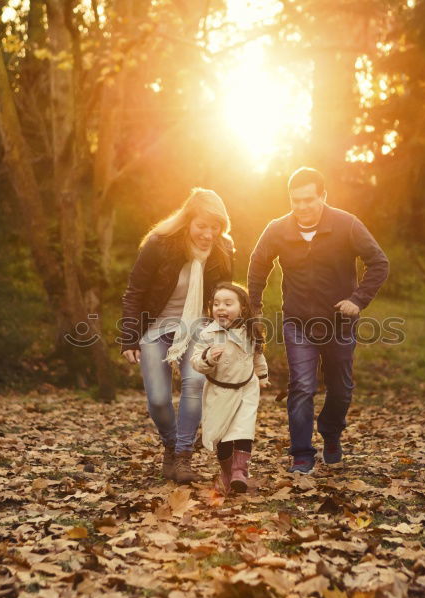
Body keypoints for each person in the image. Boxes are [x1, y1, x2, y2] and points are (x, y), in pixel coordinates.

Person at [247, 167, 389, 474]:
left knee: (342, 389)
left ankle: (330, 431)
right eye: (295, 200)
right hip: (297, 322)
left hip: (339, 323)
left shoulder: (346, 225)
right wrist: (254, 306)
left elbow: (379, 262)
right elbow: (257, 265)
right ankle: (302, 453)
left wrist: (357, 300)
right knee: (302, 386)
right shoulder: (277, 229)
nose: (301, 207)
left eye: (308, 199)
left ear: (323, 196)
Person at [121, 188, 234, 484]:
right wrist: (129, 337)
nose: (208, 234)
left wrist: (225, 336)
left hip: (197, 328)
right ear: (187, 222)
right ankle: (171, 445)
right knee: (158, 400)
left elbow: (225, 298)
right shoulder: (159, 245)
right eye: (202, 226)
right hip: (156, 327)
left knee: (194, 383)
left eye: (215, 227)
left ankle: (183, 457)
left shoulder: (223, 250)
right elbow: (134, 293)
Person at [191, 283, 270, 495]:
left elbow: (257, 354)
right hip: (219, 392)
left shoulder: (250, 330)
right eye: (216, 304)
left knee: (243, 429)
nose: (221, 308)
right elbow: (196, 361)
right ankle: (227, 473)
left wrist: (262, 376)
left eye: (228, 303)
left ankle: (240, 472)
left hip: (246, 389)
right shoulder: (208, 334)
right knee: (222, 435)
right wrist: (208, 357)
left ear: (242, 308)